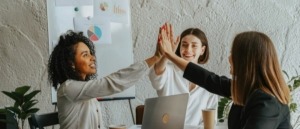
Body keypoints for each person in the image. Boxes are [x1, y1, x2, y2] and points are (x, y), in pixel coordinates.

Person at [158, 27, 292, 129]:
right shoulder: (246, 90)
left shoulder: (266, 104)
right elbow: (208, 79)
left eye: (233, 54)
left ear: (247, 61)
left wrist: (170, 55)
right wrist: (170, 55)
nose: (229, 58)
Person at [47, 30, 162, 129]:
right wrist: (155, 58)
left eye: (91, 53)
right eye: (85, 55)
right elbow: (110, 84)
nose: (93, 58)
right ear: (71, 63)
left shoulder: (85, 90)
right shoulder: (68, 88)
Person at [148, 23, 218, 125]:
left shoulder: (209, 80)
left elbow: (211, 120)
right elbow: (156, 77)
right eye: (184, 44)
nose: (188, 50)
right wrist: (168, 54)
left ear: (202, 50)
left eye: (194, 45)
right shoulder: (168, 70)